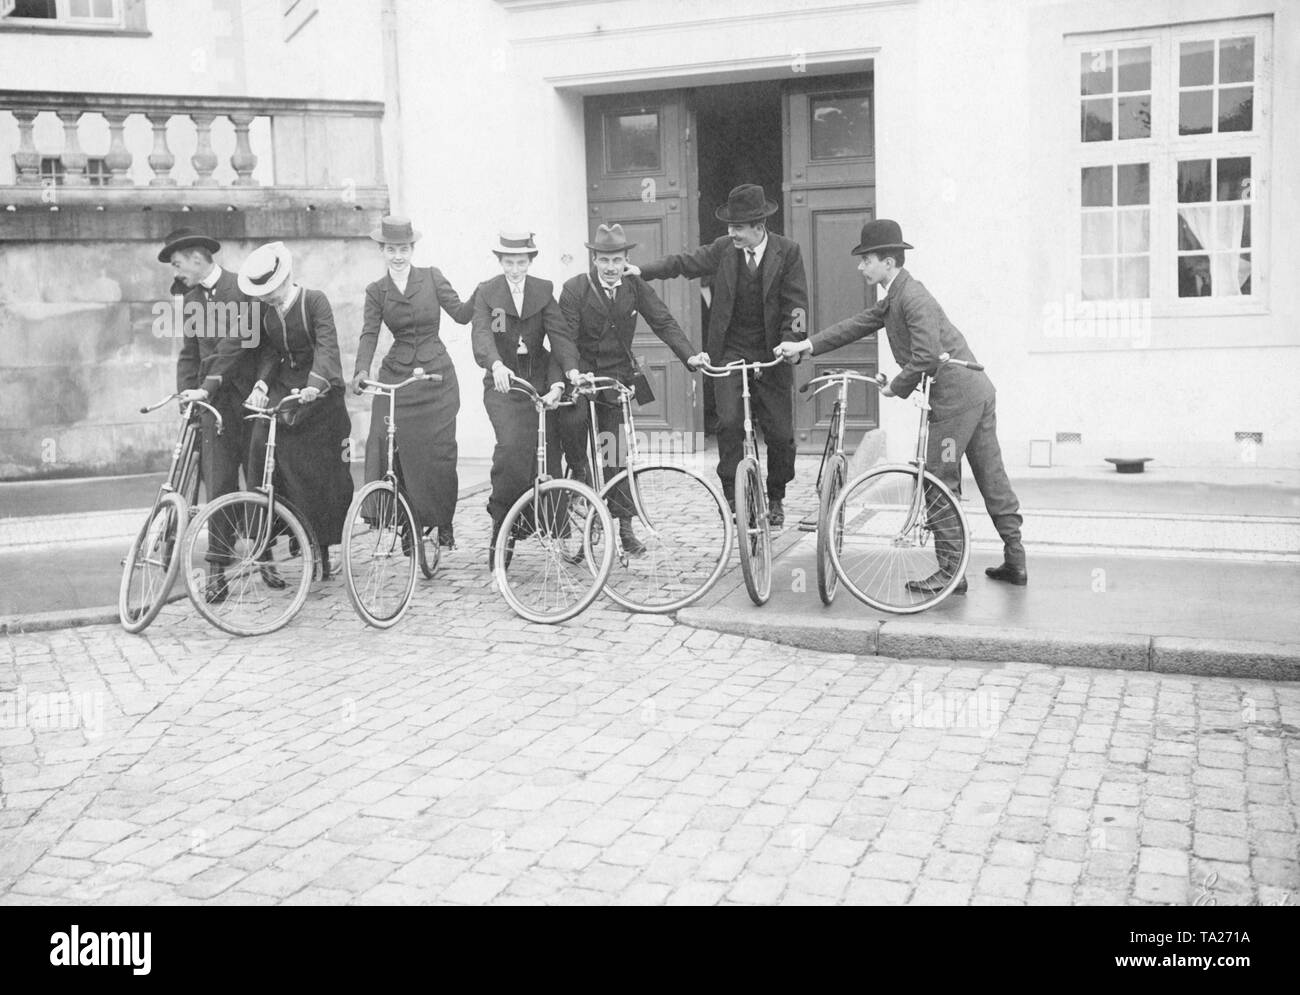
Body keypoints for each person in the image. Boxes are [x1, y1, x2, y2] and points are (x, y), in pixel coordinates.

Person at [775, 219, 1027, 592]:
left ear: (888, 263)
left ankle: (950, 574)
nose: (861, 266)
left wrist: (896, 386)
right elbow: (856, 325)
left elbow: (925, 356)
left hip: (956, 401)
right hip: (975, 393)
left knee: (938, 479)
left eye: (866, 260)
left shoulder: (911, 297)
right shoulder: (897, 295)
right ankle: (1015, 560)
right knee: (991, 477)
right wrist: (805, 346)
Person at [627, 183, 807, 526]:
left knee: (781, 434)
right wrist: (643, 271)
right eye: (730, 227)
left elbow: (796, 306)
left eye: (737, 227)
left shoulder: (788, 252)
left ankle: (777, 494)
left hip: (772, 353)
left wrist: (793, 341)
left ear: (758, 226)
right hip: (730, 352)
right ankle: (732, 494)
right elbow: (684, 263)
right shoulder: (724, 249)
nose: (731, 232)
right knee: (728, 424)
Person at [555, 224, 704, 553]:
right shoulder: (575, 288)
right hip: (582, 377)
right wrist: (574, 372)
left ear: (626, 260)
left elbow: (662, 320)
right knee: (573, 423)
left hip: (616, 379)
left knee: (615, 453)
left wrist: (690, 356)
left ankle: (624, 526)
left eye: (617, 260)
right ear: (594, 259)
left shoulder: (634, 286)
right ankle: (580, 476)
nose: (611, 267)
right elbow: (564, 336)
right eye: (604, 260)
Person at [350, 216, 474, 551]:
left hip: (436, 376)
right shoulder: (377, 291)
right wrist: (362, 370)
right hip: (399, 373)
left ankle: (443, 520)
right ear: (382, 250)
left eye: (403, 249)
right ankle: (406, 522)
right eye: (391, 249)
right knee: (388, 442)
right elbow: (370, 333)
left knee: (439, 453)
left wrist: (485, 292)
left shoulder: (432, 278)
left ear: (412, 249)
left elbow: (462, 314)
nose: (398, 256)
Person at [238, 241, 355, 579]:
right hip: (285, 388)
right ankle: (265, 546)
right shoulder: (265, 311)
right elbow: (271, 353)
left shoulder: (314, 301)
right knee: (261, 451)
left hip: (320, 397)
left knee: (316, 473)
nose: (269, 297)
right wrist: (261, 385)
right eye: (263, 293)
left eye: (273, 289)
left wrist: (314, 386)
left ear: (287, 276)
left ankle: (321, 549)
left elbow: (327, 345)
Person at [160, 226, 262, 603]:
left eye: (178, 265)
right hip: (211, 407)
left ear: (198, 258)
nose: (176, 273)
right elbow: (189, 353)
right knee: (218, 485)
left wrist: (209, 384)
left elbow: (238, 347)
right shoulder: (189, 301)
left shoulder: (244, 287)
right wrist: (186, 396)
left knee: (258, 481)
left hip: (251, 402)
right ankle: (219, 570)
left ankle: (263, 554)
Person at [470, 232, 579, 567]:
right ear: (500, 262)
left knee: (549, 455)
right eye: (508, 262)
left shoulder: (542, 291)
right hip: (504, 386)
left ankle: (556, 530)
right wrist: (496, 364)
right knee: (513, 450)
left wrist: (568, 376)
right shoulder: (488, 292)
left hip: (539, 381)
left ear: (530, 261)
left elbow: (559, 337)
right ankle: (502, 528)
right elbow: (482, 334)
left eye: (521, 262)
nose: (515, 269)